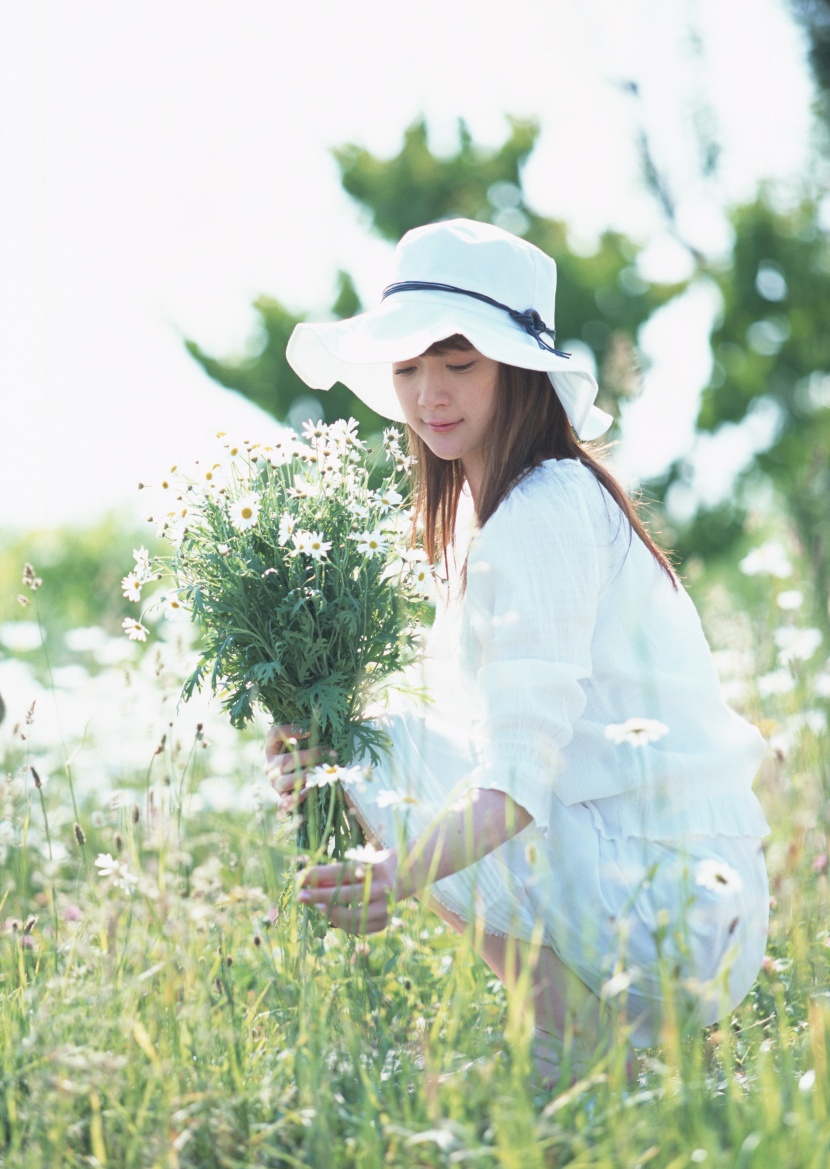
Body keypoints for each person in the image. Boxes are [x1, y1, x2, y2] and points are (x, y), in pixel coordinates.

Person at [266, 218, 770, 1086]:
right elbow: (461, 727)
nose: (431, 394)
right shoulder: (496, 512)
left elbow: (514, 783)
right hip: (665, 887)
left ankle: (566, 1050)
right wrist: (318, 760)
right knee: (360, 746)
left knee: (375, 747)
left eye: (459, 362)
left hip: (677, 906)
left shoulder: (542, 507)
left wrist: (393, 865)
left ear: (516, 368)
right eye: (409, 367)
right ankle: (572, 1046)